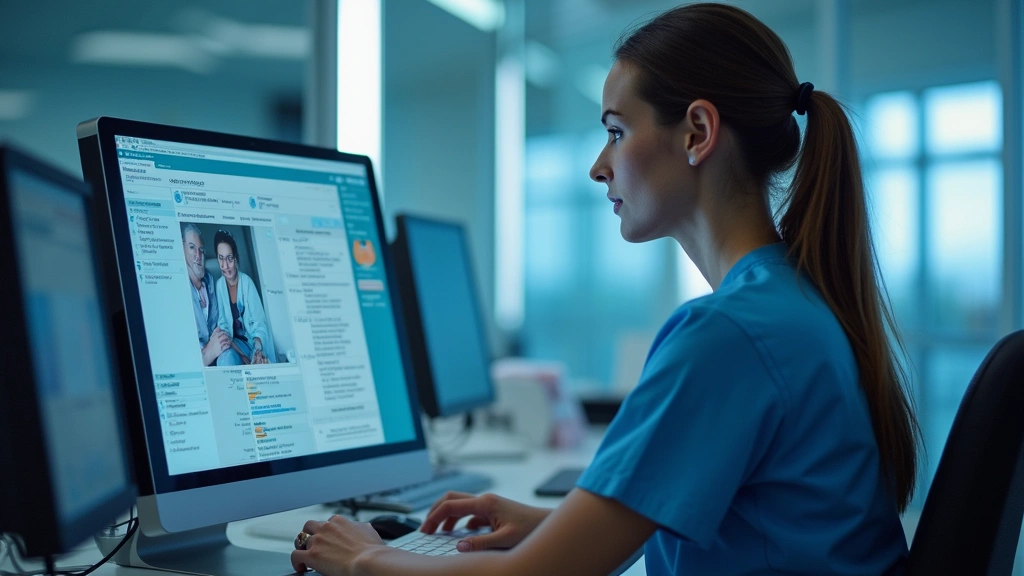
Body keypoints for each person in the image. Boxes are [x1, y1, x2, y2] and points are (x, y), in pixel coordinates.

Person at [290, 4, 919, 575]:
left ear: (698, 132)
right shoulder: (790, 303)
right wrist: (553, 527)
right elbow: (732, 514)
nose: (598, 166)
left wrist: (364, 557)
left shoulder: (729, 333)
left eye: (617, 131)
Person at [212, 229, 273, 365]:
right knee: (225, 359)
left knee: (259, 363)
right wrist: (240, 354)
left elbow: (260, 324)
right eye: (221, 258)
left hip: (254, 344)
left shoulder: (247, 283)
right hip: (235, 345)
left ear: (236, 258)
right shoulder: (219, 286)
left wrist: (257, 350)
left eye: (229, 258)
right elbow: (223, 326)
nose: (225, 266)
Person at [182, 223, 232, 367]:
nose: (198, 256)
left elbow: (218, 324)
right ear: (182, 248)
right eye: (192, 248)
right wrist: (209, 351)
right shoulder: (178, 289)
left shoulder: (210, 280)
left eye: (201, 250)